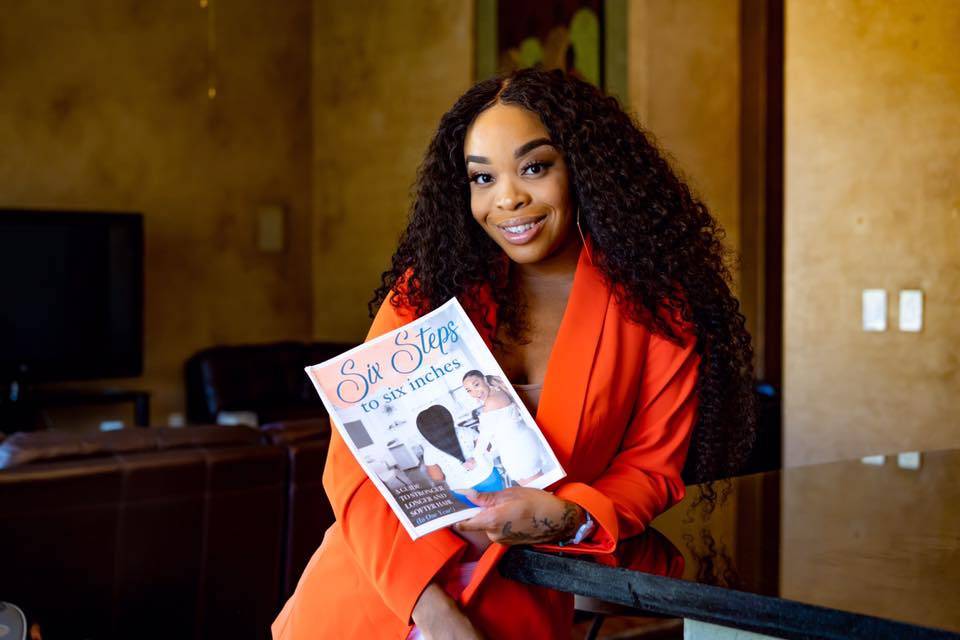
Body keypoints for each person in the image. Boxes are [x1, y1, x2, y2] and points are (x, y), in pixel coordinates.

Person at [272, 68, 756, 640]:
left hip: (520, 611)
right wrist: (431, 609)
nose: (507, 199)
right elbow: (357, 465)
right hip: (362, 605)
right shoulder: (427, 290)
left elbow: (651, 469)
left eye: (534, 167)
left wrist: (571, 516)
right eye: (482, 177)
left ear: (586, 170)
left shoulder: (657, 310)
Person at [461, 370, 548, 486]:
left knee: (540, 489)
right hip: (520, 444)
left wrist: (475, 459)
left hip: (518, 450)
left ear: (485, 380)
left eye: (476, 385)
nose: (474, 392)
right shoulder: (498, 392)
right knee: (539, 488)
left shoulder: (491, 402)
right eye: (469, 391)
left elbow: (484, 437)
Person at [415, 404, 505, 507]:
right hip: (488, 478)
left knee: (482, 512)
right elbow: (487, 448)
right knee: (501, 505)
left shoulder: (429, 451)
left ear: (425, 431)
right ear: (448, 419)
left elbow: (438, 477)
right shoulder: (466, 431)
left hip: (462, 489)